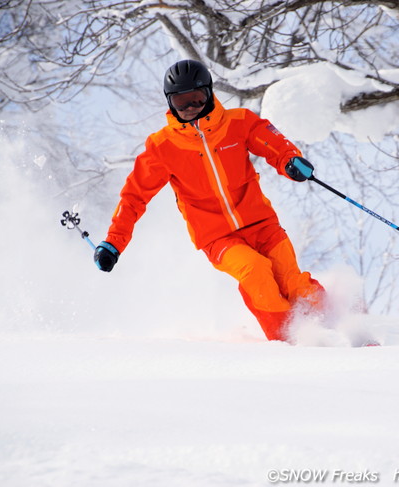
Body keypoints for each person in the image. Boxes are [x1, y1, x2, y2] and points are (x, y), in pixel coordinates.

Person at [93, 59, 325, 342]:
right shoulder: (163, 146)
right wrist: (113, 243)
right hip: (218, 238)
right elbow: (133, 197)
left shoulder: (238, 122)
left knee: (293, 282)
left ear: (209, 93)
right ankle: (289, 340)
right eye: (182, 102)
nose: (190, 109)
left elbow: (274, 144)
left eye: (196, 99)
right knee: (255, 271)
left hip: (262, 224)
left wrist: (291, 161)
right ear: (170, 103)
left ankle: (337, 325)